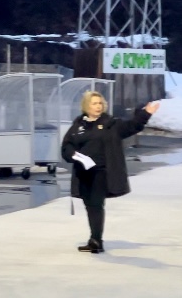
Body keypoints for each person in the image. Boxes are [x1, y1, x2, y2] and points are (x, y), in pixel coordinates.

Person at [61, 92, 159, 254]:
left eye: (100, 103)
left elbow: (131, 126)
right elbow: (67, 146)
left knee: (96, 204)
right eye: (94, 103)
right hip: (83, 172)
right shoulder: (78, 125)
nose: (98, 106)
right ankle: (95, 237)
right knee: (90, 205)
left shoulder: (110, 124)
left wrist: (145, 114)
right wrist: (73, 155)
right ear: (86, 106)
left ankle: (96, 241)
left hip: (102, 172)